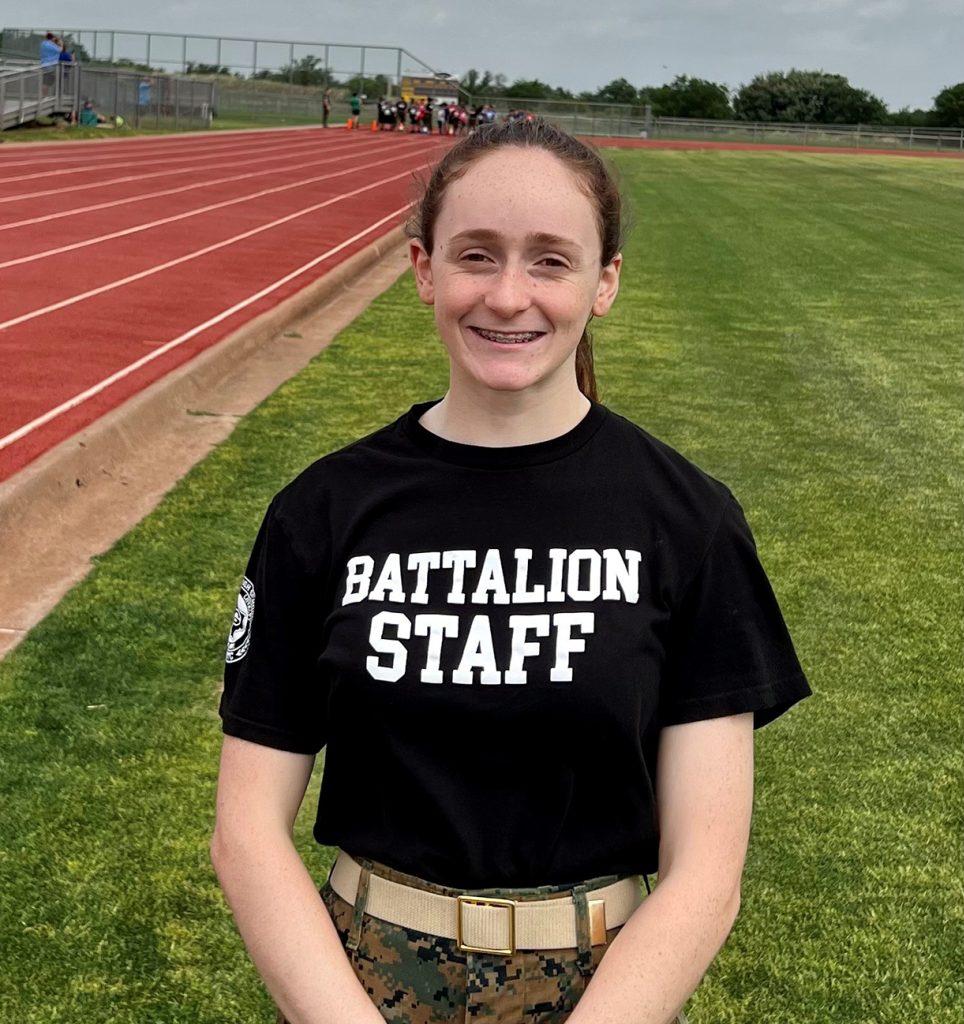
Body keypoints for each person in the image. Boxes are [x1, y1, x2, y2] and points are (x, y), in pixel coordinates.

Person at [212, 119, 811, 1024]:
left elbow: (707, 870)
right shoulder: (324, 510)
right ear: (423, 268)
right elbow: (247, 834)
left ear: (604, 282)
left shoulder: (686, 519)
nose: (506, 295)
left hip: (601, 990)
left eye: (550, 261)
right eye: (476, 255)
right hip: (362, 983)